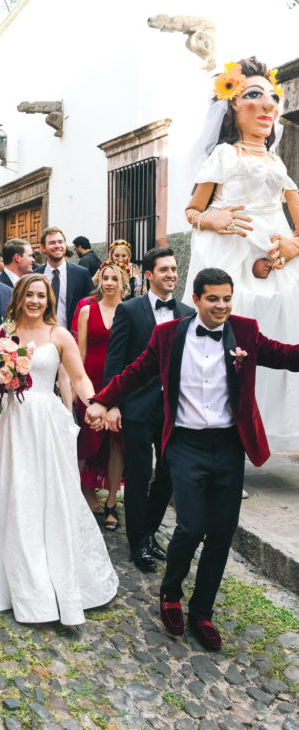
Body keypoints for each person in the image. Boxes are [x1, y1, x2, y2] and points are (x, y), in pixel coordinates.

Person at [87, 267, 299, 650]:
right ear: (197, 299)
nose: (221, 306)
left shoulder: (246, 332)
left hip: (229, 446)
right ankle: (170, 594)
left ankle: (202, 611)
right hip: (185, 445)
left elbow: (285, 355)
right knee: (190, 527)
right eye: (213, 298)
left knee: (221, 531)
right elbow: (136, 372)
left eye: (227, 298)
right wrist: (104, 399)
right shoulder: (169, 335)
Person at [0, 273, 118, 625]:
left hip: (42, 422)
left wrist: (94, 403)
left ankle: (45, 571)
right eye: (29, 294)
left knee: (42, 492)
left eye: (41, 295)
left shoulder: (59, 335)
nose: (35, 301)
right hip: (8, 423)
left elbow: (78, 378)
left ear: (48, 300)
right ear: (18, 297)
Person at [183, 56, 299, 451]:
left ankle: (278, 431)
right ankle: (224, 437)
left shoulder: (277, 162)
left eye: (272, 97)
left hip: (279, 259)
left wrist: (293, 244)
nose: (268, 105)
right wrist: (212, 220)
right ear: (231, 105)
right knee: (232, 342)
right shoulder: (223, 156)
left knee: (284, 335)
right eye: (254, 95)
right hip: (231, 254)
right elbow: (192, 210)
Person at [103, 247, 193, 572]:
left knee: (168, 475)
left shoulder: (187, 312)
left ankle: (150, 532)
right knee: (139, 475)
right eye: (164, 269)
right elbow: (115, 361)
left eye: (174, 269)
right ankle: (137, 542)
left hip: (175, 409)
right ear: (149, 275)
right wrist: (112, 403)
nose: (171, 274)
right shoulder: (129, 310)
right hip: (138, 407)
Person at [75, 260, 130, 528]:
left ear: (123, 282)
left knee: (115, 443)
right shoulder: (87, 311)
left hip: (119, 382)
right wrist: (79, 388)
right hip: (92, 382)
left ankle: (111, 503)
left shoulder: (129, 311)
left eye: (114, 279)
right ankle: (76, 494)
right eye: (105, 278)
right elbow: (80, 353)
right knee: (87, 441)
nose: (108, 283)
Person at [35, 226, 93, 329]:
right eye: (52, 243)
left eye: (60, 242)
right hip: (41, 336)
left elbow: (91, 306)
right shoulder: (34, 276)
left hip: (71, 336)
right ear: (43, 248)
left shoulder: (81, 274)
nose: (57, 246)